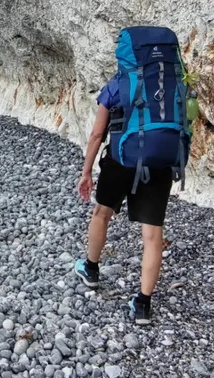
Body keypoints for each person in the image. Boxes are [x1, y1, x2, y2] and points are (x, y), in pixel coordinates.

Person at [73, 66, 176, 326]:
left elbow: (98, 133)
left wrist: (86, 172)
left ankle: (91, 269)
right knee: (153, 235)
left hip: (121, 160)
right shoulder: (172, 85)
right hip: (159, 165)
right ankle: (143, 304)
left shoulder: (118, 84)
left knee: (102, 213)